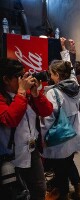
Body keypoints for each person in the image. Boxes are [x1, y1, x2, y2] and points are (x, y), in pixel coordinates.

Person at [41, 38, 80, 200]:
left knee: (60, 170)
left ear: (57, 75)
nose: (50, 75)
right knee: (68, 162)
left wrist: (43, 140)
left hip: (59, 138)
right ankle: (78, 186)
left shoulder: (53, 93)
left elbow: (46, 121)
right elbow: (70, 68)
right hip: (73, 133)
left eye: (51, 73)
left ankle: (64, 194)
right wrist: (64, 49)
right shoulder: (74, 85)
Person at [0, 58, 53, 200]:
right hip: (11, 155)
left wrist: (36, 94)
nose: (24, 79)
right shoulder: (4, 98)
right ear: (6, 79)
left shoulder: (27, 95)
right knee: (18, 193)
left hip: (32, 150)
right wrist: (22, 92)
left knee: (40, 189)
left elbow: (47, 111)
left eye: (24, 75)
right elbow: (10, 119)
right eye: (19, 77)